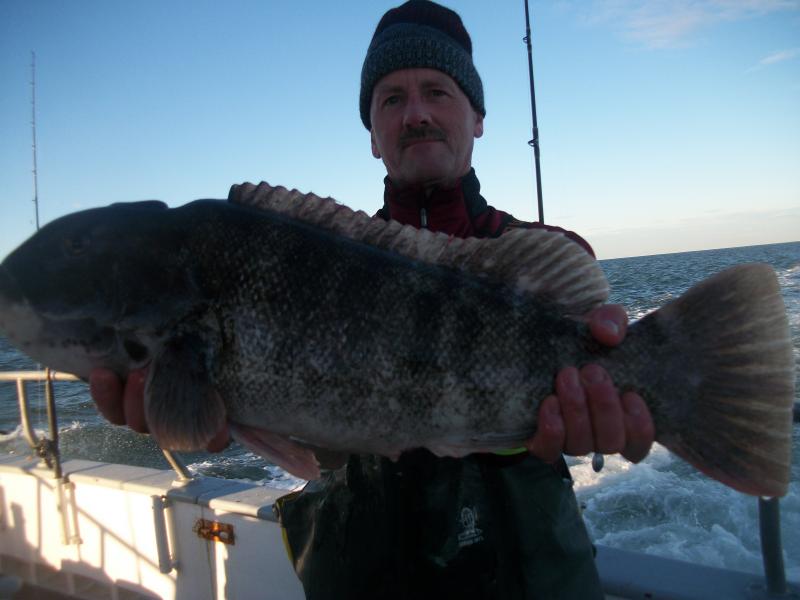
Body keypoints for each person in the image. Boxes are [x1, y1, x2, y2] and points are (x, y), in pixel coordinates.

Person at [90, 1, 655, 598]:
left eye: (437, 91)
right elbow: (322, 449)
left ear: (478, 117)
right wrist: (207, 409)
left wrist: (598, 407)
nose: (416, 114)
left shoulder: (539, 260)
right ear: (373, 137)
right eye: (391, 99)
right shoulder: (310, 268)